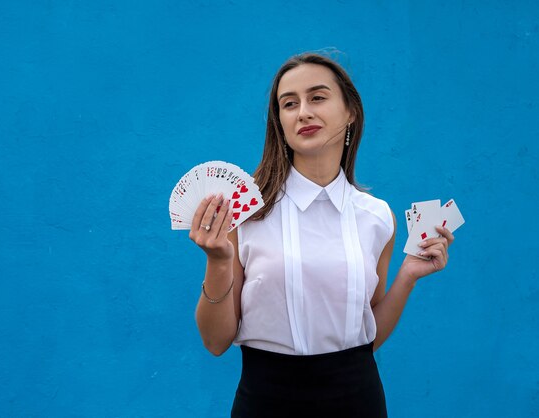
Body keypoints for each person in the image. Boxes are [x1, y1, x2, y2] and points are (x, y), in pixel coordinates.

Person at [188, 53, 454, 417]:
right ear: (279, 122)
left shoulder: (378, 217)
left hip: (357, 400)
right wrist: (218, 261)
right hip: (266, 401)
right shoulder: (245, 214)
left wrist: (407, 277)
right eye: (289, 104)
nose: (303, 112)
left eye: (317, 97)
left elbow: (368, 337)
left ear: (350, 113)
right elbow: (215, 342)